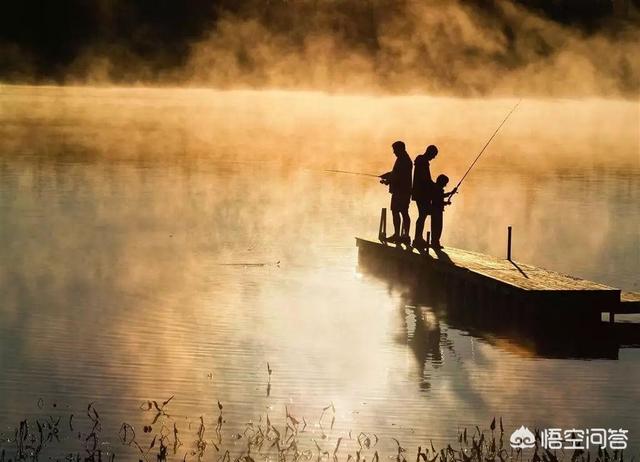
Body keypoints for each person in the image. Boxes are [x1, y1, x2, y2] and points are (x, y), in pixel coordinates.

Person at [380, 141, 413, 244]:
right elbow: (396, 173)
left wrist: (388, 181)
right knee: (402, 212)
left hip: (401, 191)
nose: (394, 152)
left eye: (395, 150)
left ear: (400, 149)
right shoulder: (403, 159)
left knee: (398, 212)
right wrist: (387, 175)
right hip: (403, 191)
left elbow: (399, 177)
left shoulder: (403, 160)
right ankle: (402, 235)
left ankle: (399, 235)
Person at [411, 144, 438, 249]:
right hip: (422, 194)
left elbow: (426, 179)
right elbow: (425, 179)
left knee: (422, 215)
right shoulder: (423, 162)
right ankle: (418, 239)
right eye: (434, 155)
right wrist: (435, 186)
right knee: (422, 216)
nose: (434, 157)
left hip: (419, 193)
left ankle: (418, 238)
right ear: (429, 152)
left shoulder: (420, 161)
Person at [430, 174, 456, 250]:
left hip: (435, 209)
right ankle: (435, 243)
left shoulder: (436, 188)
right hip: (437, 210)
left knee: (435, 227)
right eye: (445, 183)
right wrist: (446, 201)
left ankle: (434, 242)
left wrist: (450, 193)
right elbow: (439, 200)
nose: (445, 185)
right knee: (437, 227)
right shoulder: (438, 189)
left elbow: (440, 197)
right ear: (442, 182)